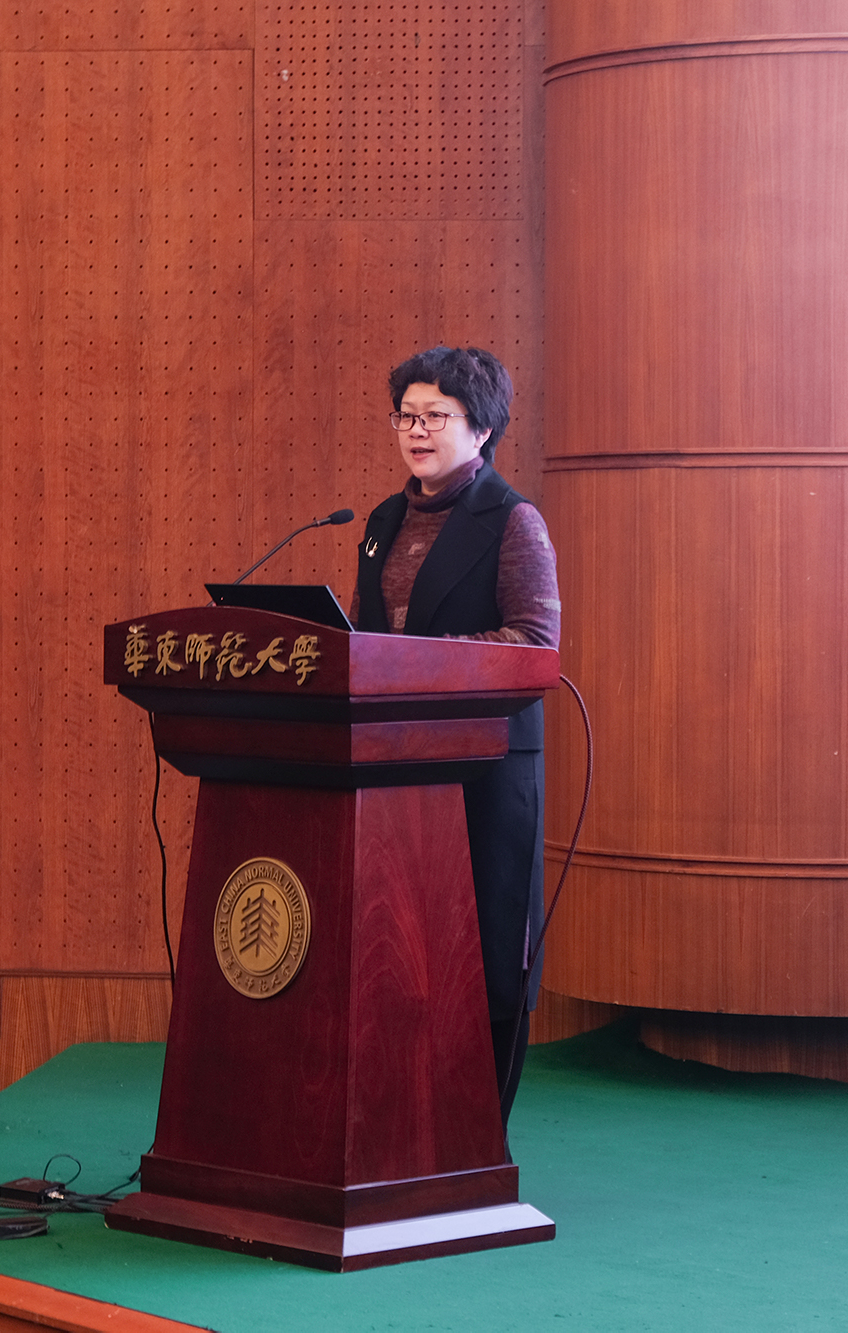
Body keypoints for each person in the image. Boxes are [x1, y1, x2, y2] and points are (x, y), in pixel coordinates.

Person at [351, 345, 559, 1124]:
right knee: (403, 947)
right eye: (406, 415)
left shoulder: (511, 521)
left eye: (435, 415)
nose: (416, 430)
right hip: (394, 763)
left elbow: (533, 643)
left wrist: (415, 659)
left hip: (484, 769)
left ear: (482, 428)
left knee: (486, 952)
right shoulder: (382, 521)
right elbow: (363, 641)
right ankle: (402, 1121)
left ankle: (477, 1131)